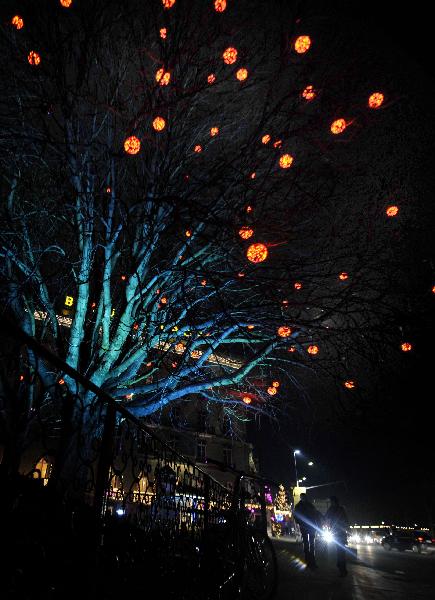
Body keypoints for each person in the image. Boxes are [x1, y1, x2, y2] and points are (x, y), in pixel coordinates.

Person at [294, 493, 321, 568]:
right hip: (307, 526)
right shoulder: (307, 505)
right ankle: (309, 561)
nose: (303, 499)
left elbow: (315, 515)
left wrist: (299, 522)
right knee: (308, 544)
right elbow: (316, 515)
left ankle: (310, 561)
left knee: (309, 544)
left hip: (307, 526)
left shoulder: (300, 506)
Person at [325, 496, 349, 577]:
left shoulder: (333, 509)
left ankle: (342, 568)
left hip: (337, 532)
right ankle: (341, 567)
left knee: (340, 551)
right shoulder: (340, 509)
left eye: (332, 502)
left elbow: (326, 517)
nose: (331, 503)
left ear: (333, 502)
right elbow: (346, 520)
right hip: (340, 532)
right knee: (341, 550)